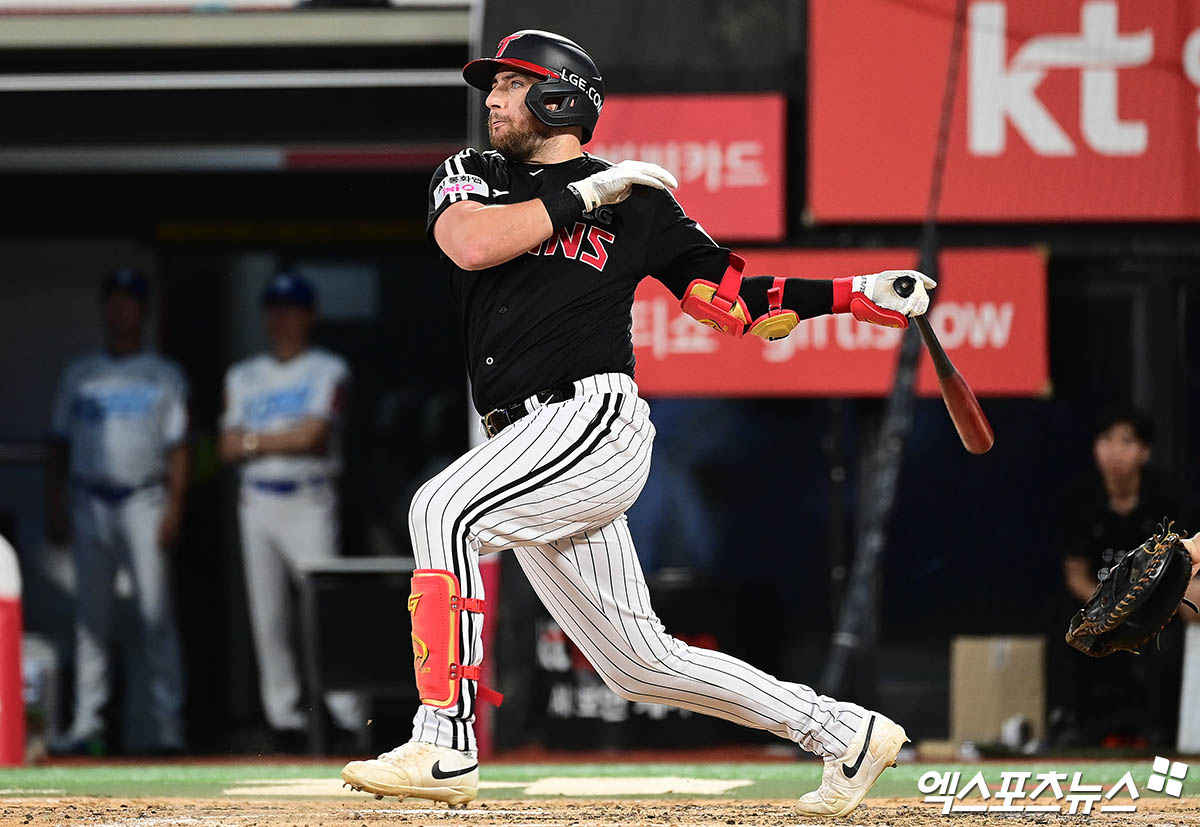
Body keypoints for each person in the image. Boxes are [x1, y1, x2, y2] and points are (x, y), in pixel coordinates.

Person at [340, 30, 935, 817]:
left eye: (512, 84)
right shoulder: (475, 173)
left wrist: (853, 294)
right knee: (638, 663)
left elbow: (734, 303)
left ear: (560, 97)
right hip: (521, 440)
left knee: (440, 508)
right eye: (494, 87)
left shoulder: (639, 204)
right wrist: (587, 194)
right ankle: (845, 732)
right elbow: (472, 243)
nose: (494, 99)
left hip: (590, 418)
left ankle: (444, 740)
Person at [45, 268, 188, 755]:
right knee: (91, 620)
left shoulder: (163, 373)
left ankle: (168, 729)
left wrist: (175, 507)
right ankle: (88, 725)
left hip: (145, 499)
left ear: (143, 310)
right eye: (115, 299)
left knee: (156, 617)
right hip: (89, 500)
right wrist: (54, 504)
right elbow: (59, 443)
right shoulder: (80, 373)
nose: (121, 308)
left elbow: (179, 447)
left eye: (130, 300)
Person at [219, 273, 363, 748]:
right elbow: (225, 446)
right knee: (269, 619)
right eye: (275, 309)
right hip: (257, 501)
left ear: (310, 314)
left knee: (324, 612)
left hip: (309, 499)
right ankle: (285, 721)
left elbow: (314, 437)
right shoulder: (242, 375)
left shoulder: (328, 368)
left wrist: (254, 441)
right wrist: (277, 439)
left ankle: (348, 718)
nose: (281, 318)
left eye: (292, 308)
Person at [1052, 406, 1188, 747]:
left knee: (1171, 636)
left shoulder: (1167, 497)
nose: (1114, 451)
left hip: (1156, 605)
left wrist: (1143, 606)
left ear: (1145, 451)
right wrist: (1108, 609)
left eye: (1126, 441)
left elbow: (1181, 566)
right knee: (1069, 623)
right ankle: (1070, 719)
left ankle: (1161, 726)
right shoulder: (1080, 498)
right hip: (1099, 605)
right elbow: (1075, 573)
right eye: (1106, 439)